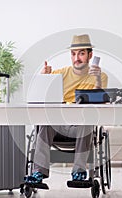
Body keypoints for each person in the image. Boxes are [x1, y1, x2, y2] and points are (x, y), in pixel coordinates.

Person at [29, 34, 108, 185]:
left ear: (90, 55)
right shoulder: (59, 74)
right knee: (45, 122)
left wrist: (97, 81)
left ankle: (78, 171)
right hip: (58, 126)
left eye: (81, 53)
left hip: (80, 128)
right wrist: (43, 78)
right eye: (73, 54)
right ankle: (38, 172)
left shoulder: (100, 76)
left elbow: (100, 103)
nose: (76, 58)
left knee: (87, 121)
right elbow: (38, 95)